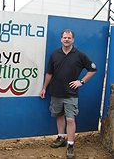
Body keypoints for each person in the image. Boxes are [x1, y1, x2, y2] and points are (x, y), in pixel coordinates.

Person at [39, 29, 97, 159]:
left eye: (69, 38)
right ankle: (61, 138)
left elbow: (93, 69)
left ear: (73, 40)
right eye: (64, 37)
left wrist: (81, 81)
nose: (66, 40)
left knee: (70, 119)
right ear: (61, 39)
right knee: (59, 116)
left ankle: (70, 145)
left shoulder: (80, 55)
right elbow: (49, 73)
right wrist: (44, 88)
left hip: (71, 93)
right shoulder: (55, 54)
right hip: (56, 92)